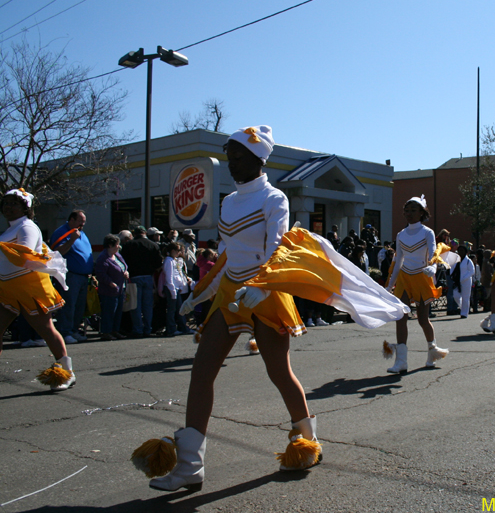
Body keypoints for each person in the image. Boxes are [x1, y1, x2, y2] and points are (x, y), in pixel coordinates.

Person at [134, 125, 410, 491]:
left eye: (237, 157)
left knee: (279, 372)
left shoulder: (274, 198)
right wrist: (202, 291)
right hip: (231, 293)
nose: (231, 164)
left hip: (267, 290)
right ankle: (189, 465)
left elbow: (276, 250)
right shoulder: (229, 201)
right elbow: (229, 253)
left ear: (257, 159)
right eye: (229, 157)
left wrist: (259, 288)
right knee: (201, 372)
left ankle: (308, 440)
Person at [0, 189, 75, 391]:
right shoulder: (8, 230)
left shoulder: (27, 227)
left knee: (45, 329)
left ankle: (66, 372)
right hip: (8, 289)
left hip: (28, 288)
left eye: (13, 204)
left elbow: (26, 256)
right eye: (5, 203)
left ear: (25, 208)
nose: (8, 207)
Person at [383, 195, 449, 373]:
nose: (409, 213)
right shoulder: (401, 234)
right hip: (405, 278)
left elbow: (434, 253)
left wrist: (433, 268)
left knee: (422, 319)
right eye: (407, 210)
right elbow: (398, 262)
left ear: (422, 212)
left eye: (413, 210)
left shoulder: (427, 232)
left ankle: (432, 350)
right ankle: (401, 361)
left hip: (422, 277)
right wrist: (390, 285)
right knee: (400, 317)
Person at [51, 209, 93, 344]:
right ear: (72, 220)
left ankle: (74, 330)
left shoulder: (81, 233)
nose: (83, 224)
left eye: (84, 222)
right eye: (80, 221)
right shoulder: (62, 232)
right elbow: (56, 252)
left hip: (83, 276)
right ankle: (65, 331)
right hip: (70, 275)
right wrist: (72, 240)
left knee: (79, 306)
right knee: (69, 304)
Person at [122, 226, 163, 338]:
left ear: (134, 234)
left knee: (135, 305)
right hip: (148, 277)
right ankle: (148, 328)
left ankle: (138, 329)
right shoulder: (153, 245)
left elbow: (123, 262)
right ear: (144, 233)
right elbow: (159, 263)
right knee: (148, 305)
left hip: (134, 277)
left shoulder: (128, 245)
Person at [94, 234, 129, 340]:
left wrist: (126, 272)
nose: (118, 247)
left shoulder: (117, 255)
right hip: (109, 290)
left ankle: (115, 330)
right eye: (116, 245)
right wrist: (109, 282)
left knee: (118, 312)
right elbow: (100, 273)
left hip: (120, 288)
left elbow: (124, 265)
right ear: (110, 245)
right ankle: (106, 332)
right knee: (109, 311)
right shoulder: (103, 258)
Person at [162, 242, 193, 337]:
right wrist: (172, 290)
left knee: (179, 308)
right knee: (171, 309)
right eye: (178, 250)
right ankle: (171, 329)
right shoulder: (168, 261)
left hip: (177, 288)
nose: (179, 252)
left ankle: (183, 327)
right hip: (172, 288)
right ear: (172, 251)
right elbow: (169, 277)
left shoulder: (175, 260)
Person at [450, 244, 475, 318]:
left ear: (465, 252)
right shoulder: (456, 260)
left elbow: (472, 271)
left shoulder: (468, 261)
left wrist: (464, 278)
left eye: (462, 250)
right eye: (459, 250)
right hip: (457, 281)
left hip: (466, 281)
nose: (460, 252)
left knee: (465, 297)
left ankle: (464, 313)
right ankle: (462, 307)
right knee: (456, 295)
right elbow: (452, 268)